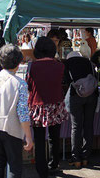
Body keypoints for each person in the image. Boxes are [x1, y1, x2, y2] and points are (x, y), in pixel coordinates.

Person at [0, 44, 33, 178]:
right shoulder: (20, 84)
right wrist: (28, 136)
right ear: (18, 62)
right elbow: (22, 112)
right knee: (15, 166)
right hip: (11, 129)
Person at [26, 37, 67, 178]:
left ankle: (41, 170)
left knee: (39, 139)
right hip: (56, 104)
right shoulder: (60, 65)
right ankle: (54, 164)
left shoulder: (32, 66)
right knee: (55, 137)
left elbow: (28, 86)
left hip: (38, 105)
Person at [63, 51, 98, 168]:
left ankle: (76, 158)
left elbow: (66, 81)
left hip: (76, 96)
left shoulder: (67, 63)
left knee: (76, 126)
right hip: (92, 95)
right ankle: (86, 157)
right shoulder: (88, 62)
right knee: (88, 125)